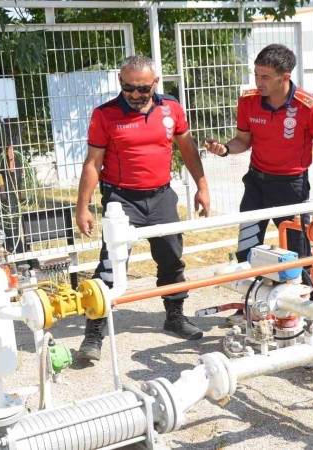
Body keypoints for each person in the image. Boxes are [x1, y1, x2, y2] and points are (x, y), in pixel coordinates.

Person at [75, 55, 211, 361]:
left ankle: (174, 316)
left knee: (171, 257)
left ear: (155, 83)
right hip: (121, 200)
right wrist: (82, 207)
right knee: (111, 265)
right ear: (120, 82)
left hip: (161, 196)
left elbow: (188, 150)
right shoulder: (105, 114)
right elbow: (93, 163)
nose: (135, 94)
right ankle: (94, 333)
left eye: (143, 89)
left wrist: (202, 187)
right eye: (128, 88)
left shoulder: (171, 108)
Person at [205, 44, 313, 324]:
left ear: (285, 77)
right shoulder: (249, 101)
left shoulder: (309, 106)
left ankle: (305, 313)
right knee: (246, 250)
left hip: (292, 188)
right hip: (256, 184)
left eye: (265, 77)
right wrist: (225, 149)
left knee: (297, 256)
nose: (258, 82)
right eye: (256, 74)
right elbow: (243, 141)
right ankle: (251, 308)